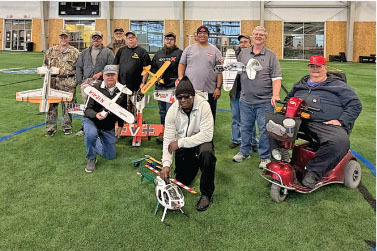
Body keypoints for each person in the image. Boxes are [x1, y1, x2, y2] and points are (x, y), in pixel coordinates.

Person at [286, 55, 362, 188]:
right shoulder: (301, 84)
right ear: (309, 68)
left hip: (323, 123)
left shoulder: (338, 85)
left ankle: (313, 173)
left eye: (318, 66)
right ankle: (281, 156)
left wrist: (341, 121)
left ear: (325, 68)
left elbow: (355, 104)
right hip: (299, 120)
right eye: (312, 66)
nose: (315, 69)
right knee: (272, 125)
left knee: (339, 141)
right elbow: (288, 99)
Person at [160, 76, 216, 212]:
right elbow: (168, 139)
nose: (183, 100)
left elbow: (207, 135)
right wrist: (166, 164)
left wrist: (180, 142)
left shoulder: (204, 106)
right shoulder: (172, 111)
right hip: (184, 146)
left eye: (187, 97)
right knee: (183, 180)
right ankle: (193, 165)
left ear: (193, 95)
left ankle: (206, 194)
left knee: (207, 154)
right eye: (180, 98)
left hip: (200, 141)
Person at [232, 26, 282, 169]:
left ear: (265, 38)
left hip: (265, 101)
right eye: (256, 34)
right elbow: (237, 70)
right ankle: (244, 152)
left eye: (261, 34)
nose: (258, 36)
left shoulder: (271, 56)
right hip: (245, 100)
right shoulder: (243, 53)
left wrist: (276, 94)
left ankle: (265, 157)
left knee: (264, 130)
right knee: (246, 127)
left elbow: (277, 77)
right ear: (252, 37)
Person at [82, 65, 127, 173]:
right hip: (92, 120)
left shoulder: (122, 91)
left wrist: (120, 125)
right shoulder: (95, 88)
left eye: (113, 74)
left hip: (108, 126)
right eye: (107, 75)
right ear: (103, 76)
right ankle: (91, 158)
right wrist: (96, 114)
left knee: (110, 156)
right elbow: (87, 110)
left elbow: (123, 110)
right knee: (91, 134)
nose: (110, 77)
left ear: (117, 76)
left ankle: (95, 140)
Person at [178, 25, 223, 122]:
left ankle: (208, 137)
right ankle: (191, 136)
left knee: (208, 117)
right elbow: (182, 65)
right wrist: (181, 79)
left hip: (209, 91)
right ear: (197, 35)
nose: (202, 35)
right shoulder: (189, 49)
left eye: (205, 33)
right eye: (200, 33)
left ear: (208, 35)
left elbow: (219, 71)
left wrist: (218, 88)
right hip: (190, 91)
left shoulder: (215, 51)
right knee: (190, 116)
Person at [75, 31, 115, 136]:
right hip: (86, 83)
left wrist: (101, 73)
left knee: (101, 105)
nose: (96, 39)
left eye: (98, 37)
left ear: (101, 39)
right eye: (94, 37)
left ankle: (101, 127)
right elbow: (79, 67)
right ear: (91, 39)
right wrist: (80, 81)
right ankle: (85, 127)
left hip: (101, 83)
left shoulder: (108, 52)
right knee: (87, 106)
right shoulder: (84, 52)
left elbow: (112, 66)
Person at [44, 30, 80, 136]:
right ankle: (50, 127)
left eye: (65, 37)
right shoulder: (51, 51)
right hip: (53, 82)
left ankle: (67, 126)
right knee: (51, 105)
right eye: (61, 37)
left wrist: (75, 82)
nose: (63, 39)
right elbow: (45, 66)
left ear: (69, 38)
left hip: (68, 81)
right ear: (59, 38)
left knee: (68, 106)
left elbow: (79, 68)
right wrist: (45, 80)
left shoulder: (75, 52)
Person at [150, 32, 183, 141]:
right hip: (160, 88)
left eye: (171, 39)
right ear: (164, 41)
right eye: (167, 39)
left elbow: (183, 68)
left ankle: (173, 133)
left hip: (173, 87)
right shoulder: (158, 54)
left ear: (174, 41)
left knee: (172, 111)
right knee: (162, 111)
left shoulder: (179, 53)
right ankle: (163, 132)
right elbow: (153, 68)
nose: (168, 41)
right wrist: (156, 77)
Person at [229, 34, 258, 151]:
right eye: (241, 42)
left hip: (250, 93)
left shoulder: (255, 55)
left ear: (250, 43)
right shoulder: (233, 56)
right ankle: (237, 139)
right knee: (236, 117)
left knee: (250, 118)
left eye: (245, 42)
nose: (243, 44)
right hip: (235, 91)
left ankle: (253, 141)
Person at [113, 31, 151, 115]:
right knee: (122, 108)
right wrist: (116, 81)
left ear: (136, 39)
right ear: (126, 39)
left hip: (136, 86)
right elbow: (116, 67)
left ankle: (135, 124)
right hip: (122, 86)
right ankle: (122, 126)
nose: (130, 39)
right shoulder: (121, 51)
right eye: (128, 38)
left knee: (135, 108)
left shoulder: (142, 52)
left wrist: (143, 83)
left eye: (132, 37)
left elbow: (146, 70)